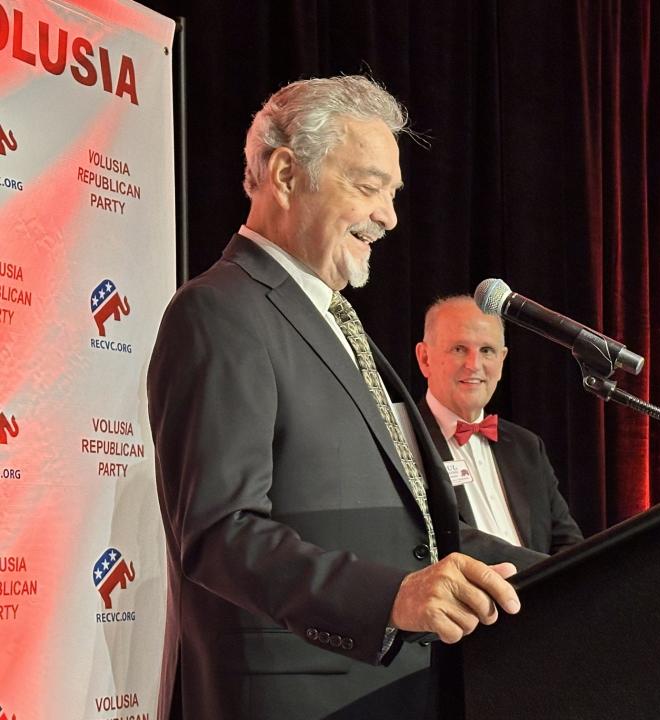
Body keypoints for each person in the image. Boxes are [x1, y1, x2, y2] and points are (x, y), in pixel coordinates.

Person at [147, 76, 544, 720]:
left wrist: (589, 574)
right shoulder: (218, 311)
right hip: (297, 699)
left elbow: (417, 529)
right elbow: (220, 533)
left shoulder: (333, 319)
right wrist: (391, 598)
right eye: (368, 186)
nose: (389, 215)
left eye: (392, 192)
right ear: (283, 174)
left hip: (396, 692)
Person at [415, 296, 583, 555]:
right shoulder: (401, 438)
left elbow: (568, 545)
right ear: (425, 358)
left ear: (502, 361)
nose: (474, 365)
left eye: (486, 351)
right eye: (459, 349)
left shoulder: (527, 446)